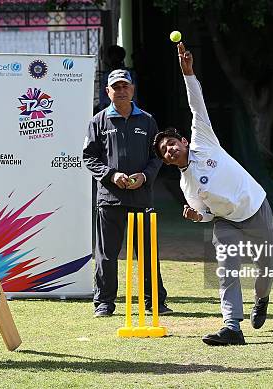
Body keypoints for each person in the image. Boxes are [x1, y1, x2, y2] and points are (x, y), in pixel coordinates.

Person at [153, 42, 273, 346]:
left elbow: (196, 104)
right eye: (164, 152)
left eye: (171, 144)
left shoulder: (203, 141)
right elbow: (206, 213)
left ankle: (262, 300)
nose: (169, 150)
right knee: (226, 269)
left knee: (265, 271)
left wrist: (188, 73)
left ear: (182, 141)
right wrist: (198, 216)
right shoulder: (185, 186)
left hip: (255, 206)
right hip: (226, 222)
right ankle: (232, 327)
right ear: (166, 160)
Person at [83, 68, 171, 317]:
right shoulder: (98, 121)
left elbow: (158, 156)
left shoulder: (148, 120)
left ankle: (154, 302)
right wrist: (112, 175)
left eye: (125, 86)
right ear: (107, 91)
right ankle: (104, 303)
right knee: (107, 255)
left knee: (147, 254)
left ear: (132, 90)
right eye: (116, 87)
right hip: (109, 199)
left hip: (141, 197)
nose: (121, 91)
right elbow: (88, 157)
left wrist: (144, 176)